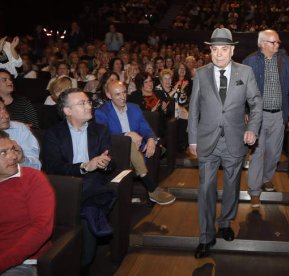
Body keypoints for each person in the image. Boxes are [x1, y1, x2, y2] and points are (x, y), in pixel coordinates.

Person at [188, 28, 262, 258]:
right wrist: (192, 139)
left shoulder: (246, 72)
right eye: (214, 49)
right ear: (210, 51)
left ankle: (226, 223)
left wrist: (252, 129)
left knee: (231, 186)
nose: (219, 54)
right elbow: (193, 110)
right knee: (206, 188)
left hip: (235, 140)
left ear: (232, 50)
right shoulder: (200, 74)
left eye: (224, 49)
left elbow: (256, 104)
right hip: (206, 142)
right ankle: (206, 236)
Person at [42, 88, 117, 270]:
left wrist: (104, 163)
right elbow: (53, 168)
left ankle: (90, 212)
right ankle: (92, 211)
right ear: (67, 111)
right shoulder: (54, 134)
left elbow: (111, 164)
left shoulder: (100, 130)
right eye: (82, 103)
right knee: (90, 198)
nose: (88, 106)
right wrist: (85, 166)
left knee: (92, 187)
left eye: (88, 102)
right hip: (67, 185)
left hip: (92, 182)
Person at [243, 29, 289, 208]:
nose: (277, 45)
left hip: (279, 116)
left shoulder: (284, 60)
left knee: (274, 153)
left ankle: (266, 178)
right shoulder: (250, 62)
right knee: (258, 153)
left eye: (278, 42)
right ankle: (254, 191)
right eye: (273, 42)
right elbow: (242, 89)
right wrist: (245, 110)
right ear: (262, 44)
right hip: (258, 116)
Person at [95, 81, 176, 205]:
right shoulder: (102, 112)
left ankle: (149, 187)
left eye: (124, 93)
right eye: (117, 94)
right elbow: (104, 137)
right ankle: (152, 188)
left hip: (139, 149)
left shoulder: (134, 108)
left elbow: (146, 129)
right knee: (129, 144)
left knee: (144, 145)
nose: (123, 97)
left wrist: (150, 139)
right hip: (116, 151)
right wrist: (127, 135)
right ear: (108, 95)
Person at [0, 130, 55, 274]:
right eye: (3, 153)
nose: (13, 156)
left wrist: (3, 262)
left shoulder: (33, 179)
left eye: (12, 149)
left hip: (23, 262)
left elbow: (41, 229)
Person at [0, 99, 41, 169]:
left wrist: (22, 160)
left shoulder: (19, 129)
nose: (6, 116)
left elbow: (36, 167)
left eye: (5, 109)